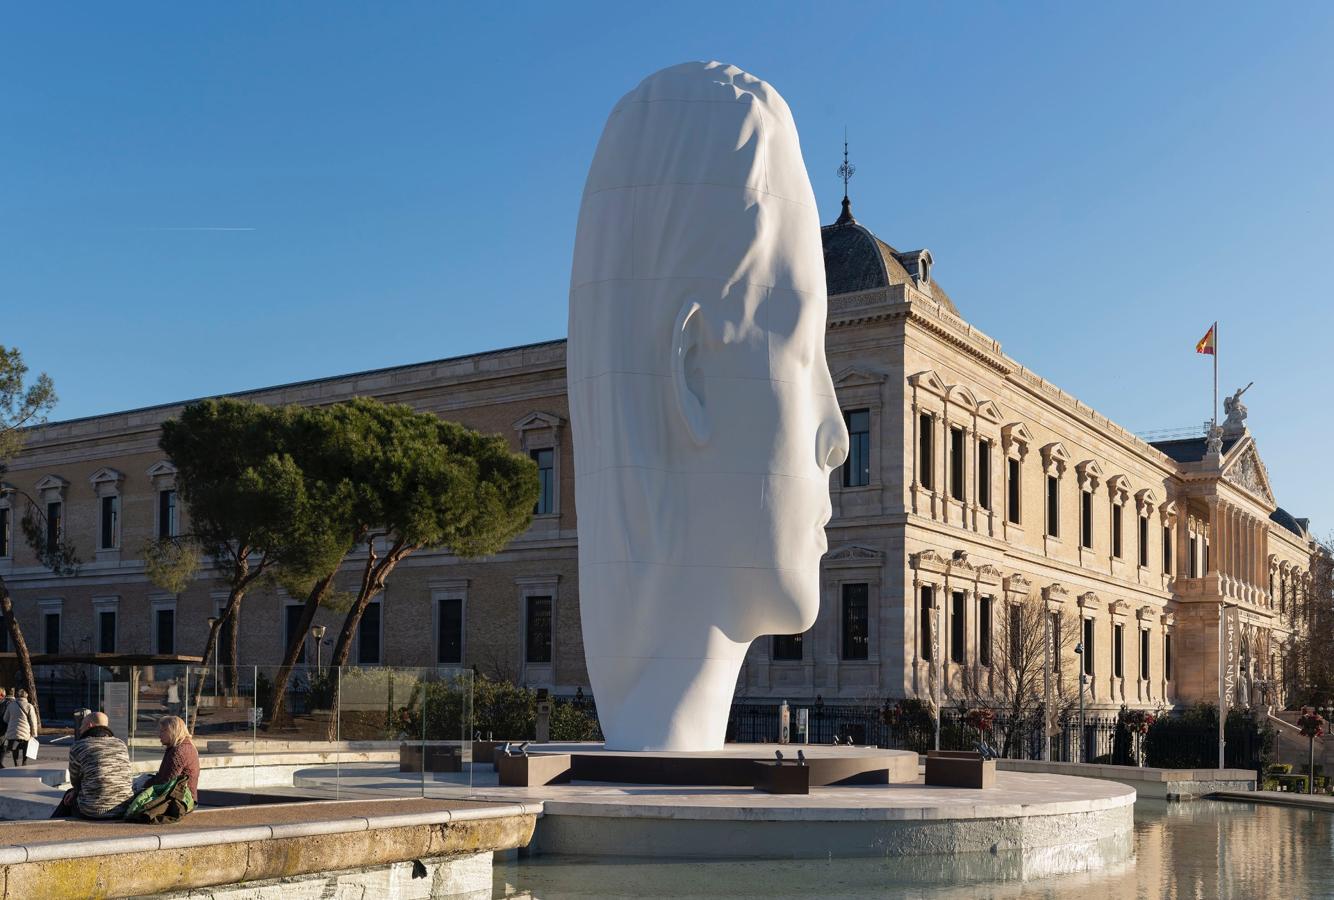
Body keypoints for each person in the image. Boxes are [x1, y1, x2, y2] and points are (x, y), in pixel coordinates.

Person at [52, 712, 132, 819]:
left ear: (90, 725)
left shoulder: (79, 746)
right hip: (123, 808)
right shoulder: (121, 744)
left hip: (93, 811)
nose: (80, 728)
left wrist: (75, 791)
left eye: (82, 724)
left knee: (68, 796)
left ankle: (48, 828)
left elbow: (75, 781)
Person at [141, 715, 200, 801]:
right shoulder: (184, 746)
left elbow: (166, 783)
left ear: (173, 731)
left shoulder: (179, 751)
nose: (159, 735)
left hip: (179, 802)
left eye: (163, 731)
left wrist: (143, 786)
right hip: (184, 799)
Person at [3, 688, 39, 767]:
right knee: (26, 747)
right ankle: (24, 762)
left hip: (13, 731)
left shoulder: (11, 705)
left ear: (17, 696)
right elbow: (33, 721)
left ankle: (16, 763)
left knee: (14, 748)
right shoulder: (29, 706)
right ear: (26, 696)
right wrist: (34, 733)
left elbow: (5, 718)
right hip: (25, 732)